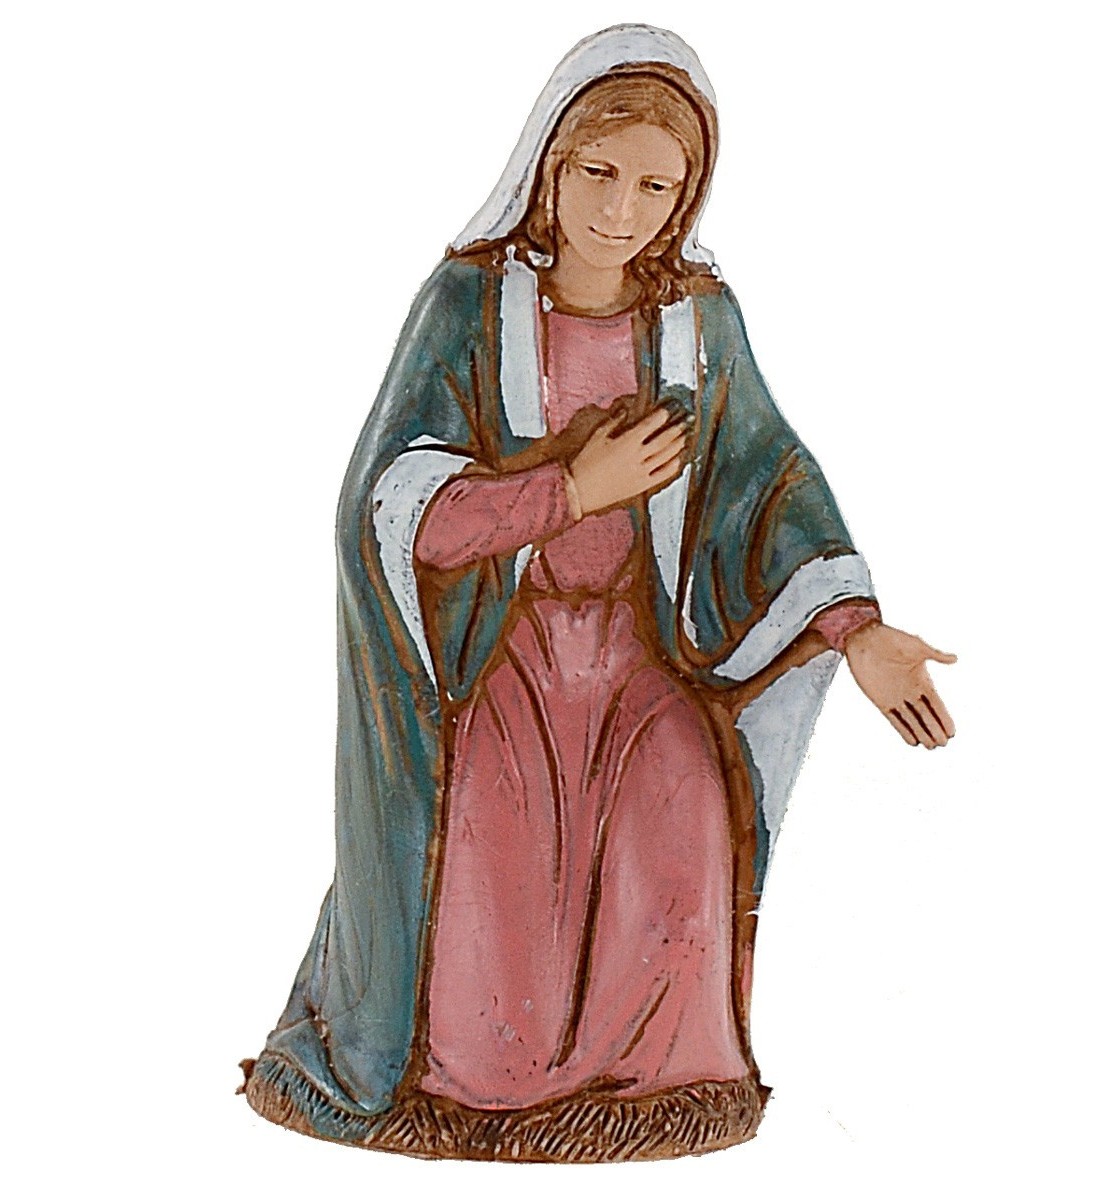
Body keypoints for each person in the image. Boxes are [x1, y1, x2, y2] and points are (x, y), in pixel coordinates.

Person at [241, 24, 955, 1163]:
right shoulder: (468, 307)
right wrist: (569, 490)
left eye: (655, 187)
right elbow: (391, 510)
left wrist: (855, 629)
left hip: (641, 669)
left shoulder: (699, 323)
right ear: (551, 165)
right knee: (489, 995)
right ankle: (474, 1086)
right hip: (502, 666)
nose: (621, 210)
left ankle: (646, 1099)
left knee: (681, 854)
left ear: (687, 197)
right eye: (600, 173)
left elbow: (771, 483)